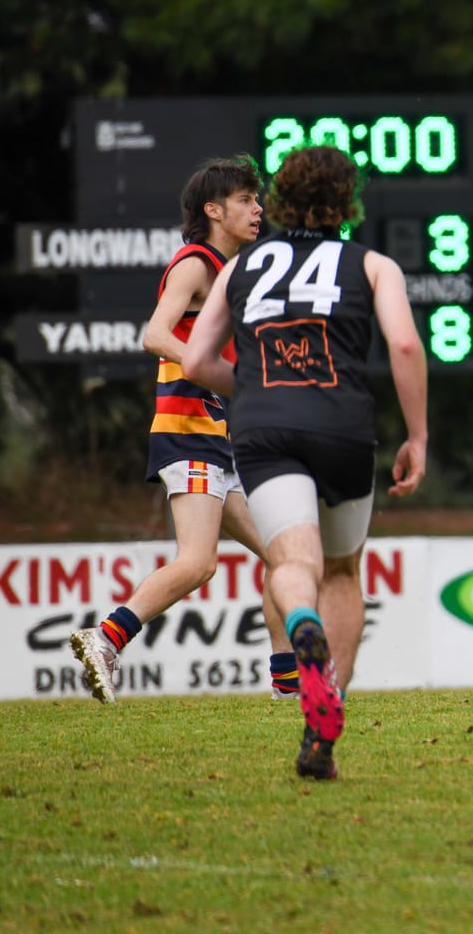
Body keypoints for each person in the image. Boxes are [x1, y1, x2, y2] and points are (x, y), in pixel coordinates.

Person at [183, 146, 427, 780]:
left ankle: (301, 628)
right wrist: (417, 436)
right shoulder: (372, 264)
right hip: (343, 426)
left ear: (281, 200)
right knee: (343, 570)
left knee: (293, 563)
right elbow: (403, 342)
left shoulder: (241, 266)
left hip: (265, 430)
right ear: (348, 200)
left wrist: (257, 390)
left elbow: (196, 363)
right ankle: (326, 716)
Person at [68, 157, 295, 703]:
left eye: (256, 199)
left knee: (286, 560)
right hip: (187, 432)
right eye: (245, 200)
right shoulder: (195, 262)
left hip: (220, 441)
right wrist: (214, 369)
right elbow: (154, 334)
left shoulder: (228, 271)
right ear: (213, 210)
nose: (257, 208)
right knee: (198, 562)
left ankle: (289, 686)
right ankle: (105, 638)